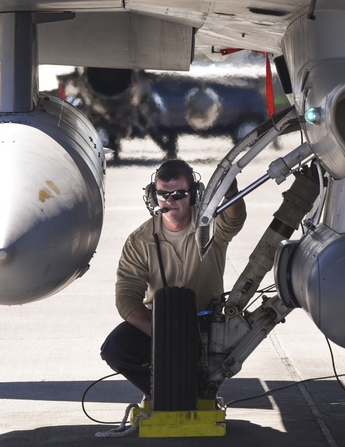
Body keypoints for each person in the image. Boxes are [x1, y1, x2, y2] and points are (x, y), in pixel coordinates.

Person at [100, 158, 246, 397]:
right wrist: (161, 334)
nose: (169, 201)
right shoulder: (140, 240)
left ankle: (186, 391)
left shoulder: (209, 227)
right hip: (158, 324)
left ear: (194, 196)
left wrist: (231, 192)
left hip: (206, 324)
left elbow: (233, 218)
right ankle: (168, 394)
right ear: (152, 196)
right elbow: (126, 296)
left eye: (178, 194)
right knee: (115, 349)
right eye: (163, 195)